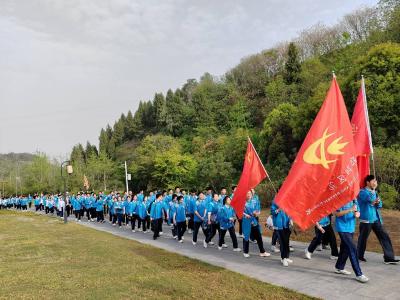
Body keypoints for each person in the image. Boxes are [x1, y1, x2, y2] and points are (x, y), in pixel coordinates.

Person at [357, 175, 399, 264]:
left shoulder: (374, 192)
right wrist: (374, 193)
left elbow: (379, 205)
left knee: (384, 236)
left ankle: (389, 258)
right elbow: (370, 199)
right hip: (367, 220)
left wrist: (378, 202)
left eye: (376, 181)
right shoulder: (362, 192)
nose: (375, 183)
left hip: (376, 219)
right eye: (373, 181)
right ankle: (359, 256)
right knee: (363, 239)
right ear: (368, 182)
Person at [334, 200, 369, 283]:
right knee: (352, 248)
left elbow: (358, 213)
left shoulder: (354, 200)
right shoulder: (339, 199)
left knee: (345, 248)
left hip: (351, 228)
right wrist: (350, 210)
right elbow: (337, 214)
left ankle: (339, 267)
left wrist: (357, 213)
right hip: (342, 228)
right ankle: (359, 274)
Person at [243, 191, 270, 258]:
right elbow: (239, 212)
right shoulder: (243, 203)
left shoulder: (254, 202)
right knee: (246, 236)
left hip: (254, 221)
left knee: (259, 237)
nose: (248, 195)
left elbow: (258, 211)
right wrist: (245, 214)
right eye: (247, 193)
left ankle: (262, 252)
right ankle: (245, 252)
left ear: (252, 194)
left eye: (250, 193)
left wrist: (257, 213)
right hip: (246, 222)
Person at [271, 197, 291, 266]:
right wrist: (278, 209)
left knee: (287, 241)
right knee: (282, 242)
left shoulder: (287, 199)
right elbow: (272, 212)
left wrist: (291, 220)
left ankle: (287, 256)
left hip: (287, 224)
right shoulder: (275, 201)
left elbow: (290, 210)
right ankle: (283, 258)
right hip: (279, 225)